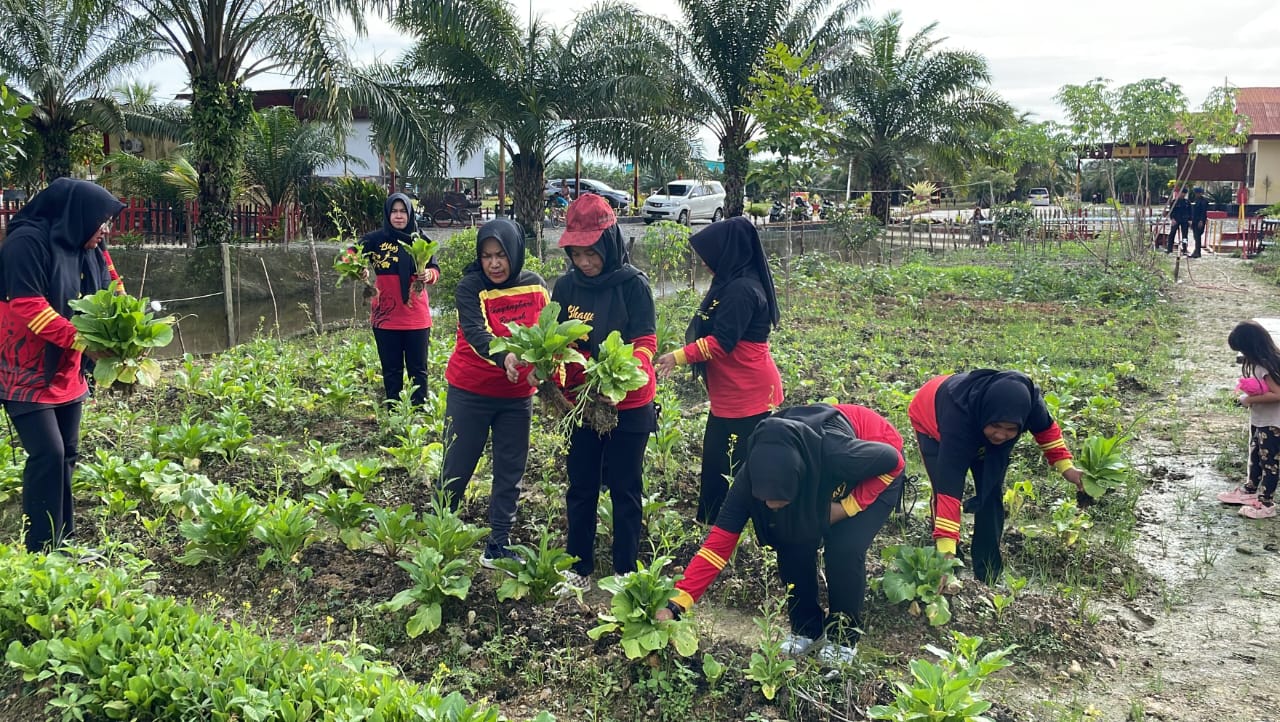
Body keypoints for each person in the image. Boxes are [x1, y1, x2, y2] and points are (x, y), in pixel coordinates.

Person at [655, 403, 903, 664]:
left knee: (843, 548)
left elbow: (893, 461)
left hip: (874, 466)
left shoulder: (837, 454)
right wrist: (676, 604)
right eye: (765, 500)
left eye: (781, 499)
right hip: (818, 476)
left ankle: (843, 638)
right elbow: (717, 546)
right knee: (789, 536)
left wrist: (848, 506)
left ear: (798, 481)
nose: (771, 505)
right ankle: (807, 628)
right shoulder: (749, 478)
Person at [0, 178, 125, 553]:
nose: (104, 229)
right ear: (78, 216)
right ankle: (41, 549)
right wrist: (85, 340)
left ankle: (63, 543)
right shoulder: (26, 244)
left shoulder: (92, 246)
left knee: (67, 455)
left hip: (67, 369)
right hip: (25, 368)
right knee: (48, 455)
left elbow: (113, 286)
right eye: (100, 221)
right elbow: (28, 306)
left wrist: (125, 329)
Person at [551, 194, 657, 589]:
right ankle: (578, 567)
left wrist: (620, 376)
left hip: (627, 403)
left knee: (626, 488)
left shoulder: (633, 286)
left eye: (591, 252)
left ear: (610, 243)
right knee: (580, 486)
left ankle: (624, 570)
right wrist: (559, 370)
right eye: (576, 253)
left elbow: (645, 342)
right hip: (582, 405)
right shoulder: (565, 287)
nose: (584, 262)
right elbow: (559, 339)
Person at [654, 216, 783, 523]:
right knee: (716, 463)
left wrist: (678, 356)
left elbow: (722, 342)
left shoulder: (742, 290)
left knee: (739, 466)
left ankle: (743, 526)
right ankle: (713, 524)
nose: (707, 264)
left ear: (729, 253)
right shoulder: (730, 283)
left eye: (711, 257)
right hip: (732, 392)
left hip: (748, 394)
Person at [908, 369, 1084, 584]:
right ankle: (949, 560)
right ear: (987, 419)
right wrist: (946, 557)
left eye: (1011, 429)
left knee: (991, 494)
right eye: (997, 427)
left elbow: (1046, 431)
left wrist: (1068, 470)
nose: (1001, 434)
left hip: (979, 423)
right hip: (933, 420)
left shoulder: (1029, 403)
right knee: (943, 491)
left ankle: (988, 570)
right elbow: (948, 493)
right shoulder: (957, 424)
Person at [440, 218, 549, 566]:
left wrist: (548, 370)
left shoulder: (535, 286)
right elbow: (477, 334)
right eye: (487, 256)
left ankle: (498, 544)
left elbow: (548, 334)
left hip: (516, 398)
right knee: (457, 467)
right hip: (471, 391)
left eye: (501, 254)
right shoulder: (470, 287)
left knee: (510, 470)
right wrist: (506, 356)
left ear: (515, 252)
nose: (495, 263)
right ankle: (441, 537)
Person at [358, 193, 439, 407]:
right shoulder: (373, 240)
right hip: (385, 317)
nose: (399, 216)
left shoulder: (420, 240)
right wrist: (360, 269)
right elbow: (350, 256)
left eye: (403, 211)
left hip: (416, 317)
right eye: (394, 211)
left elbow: (435, 269)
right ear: (387, 214)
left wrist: (428, 275)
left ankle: (418, 412)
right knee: (391, 369)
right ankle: (394, 413)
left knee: (418, 370)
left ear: (410, 214)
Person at [1216, 321, 1280, 518]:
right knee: (1255, 456)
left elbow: (1278, 393)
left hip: (1273, 423)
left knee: (1269, 462)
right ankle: (1250, 490)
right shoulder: (1258, 363)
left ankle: (1266, 503)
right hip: (1260, 419)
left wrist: (1248, 399)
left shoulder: (1265, 366)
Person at [1166, 188, 1190, 254]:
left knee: (1185, 236)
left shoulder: (1187, 202)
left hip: (1184, 220)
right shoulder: (1174, 202)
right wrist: (1172, 219)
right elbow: (1171, 211)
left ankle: (1185, 249)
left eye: (1184, 193)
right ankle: (1169, 249)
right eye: (1182, 193)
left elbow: (1190, 212)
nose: (1183, 195)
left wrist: (1190, 220)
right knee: (1172, 234)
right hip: (1176, 220)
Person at [1189, 186, 1209, 258]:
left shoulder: (1204, 201)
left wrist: (1201, 221)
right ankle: (1196, 250)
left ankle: (1197, 252)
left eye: (1197, 193)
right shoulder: (1196, 200)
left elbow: (1203, 212)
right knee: (1195, 237)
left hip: (1199, 221)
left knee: (1198, 236)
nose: (1196, 194)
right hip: (1195, 220)